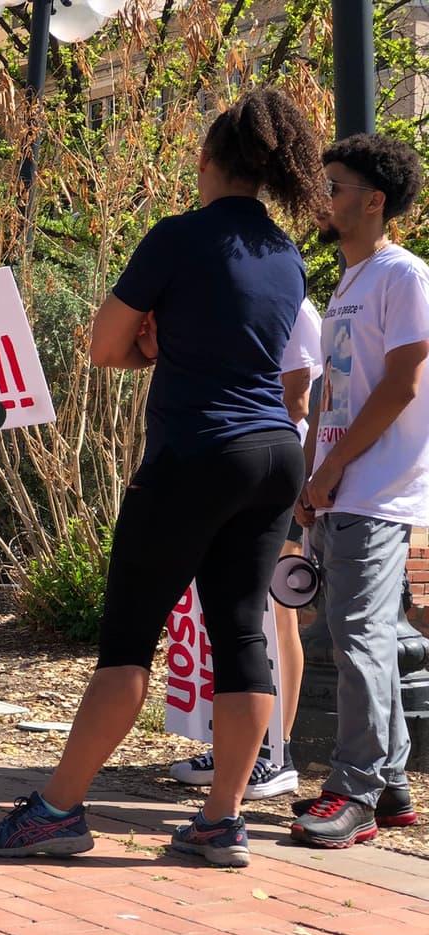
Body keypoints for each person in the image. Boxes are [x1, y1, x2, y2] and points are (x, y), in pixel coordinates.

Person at [0, 88, 323, 868]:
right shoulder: (284, 253)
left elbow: (103, 346)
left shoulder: (177, 238)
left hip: (198, 449)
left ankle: (57, 810)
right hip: (274, 453)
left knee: (127, 641)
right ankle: (222, 820)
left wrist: (150, 346)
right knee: (239, 629)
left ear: (207, 163)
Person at [289, 132, 429, 849]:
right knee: (355, 635)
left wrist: (336, 471)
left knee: (360, 637)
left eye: (335, 186)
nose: (325, 196)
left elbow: (404, 383)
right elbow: (332, 392)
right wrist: (313, 474)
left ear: (375, 201)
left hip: (375, 488)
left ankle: (357, 792)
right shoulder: (348, 281)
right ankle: (393, 785)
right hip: (340, 485)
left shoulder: (404, 276)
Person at [169, 297, 323, 799]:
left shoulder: (294, 303)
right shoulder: (224, 300)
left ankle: (278, 751)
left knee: (276, 613)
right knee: (233, 611)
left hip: (276, 473)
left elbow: (301, 398)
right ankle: (236, 744)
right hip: (226, 472)